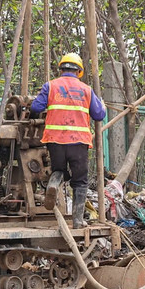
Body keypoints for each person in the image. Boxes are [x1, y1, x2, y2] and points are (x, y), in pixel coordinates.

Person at [30, 52, 106, 229]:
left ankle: (54, 183)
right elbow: (99, 115)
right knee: (80, 180)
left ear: (61, 69)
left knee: (59, 170)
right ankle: (78, 221)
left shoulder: (51, 86)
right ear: (79, 71)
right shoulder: (87, 90)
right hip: (78, 142)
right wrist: (100, 103)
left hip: (55, 140)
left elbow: (35, 107)